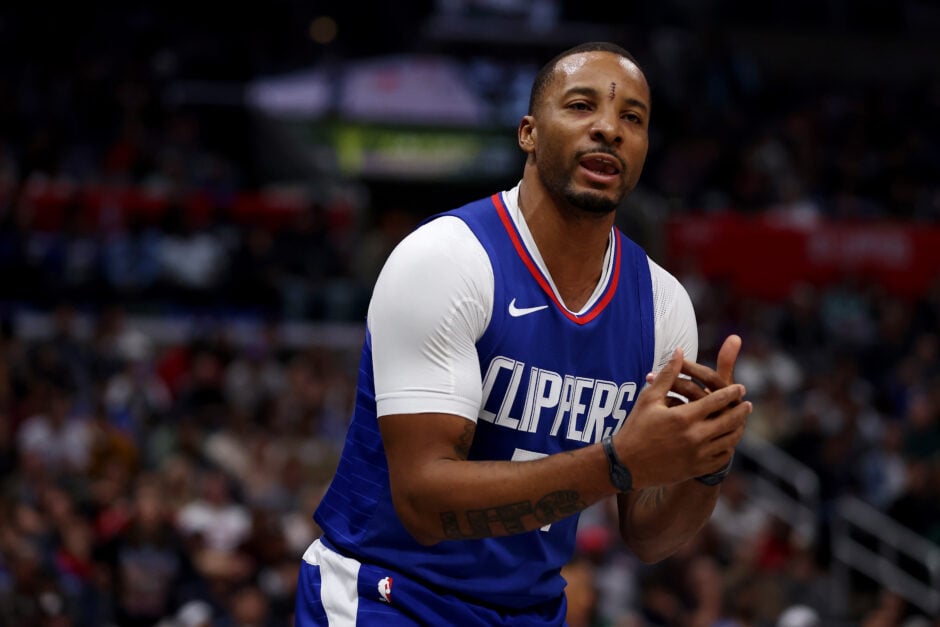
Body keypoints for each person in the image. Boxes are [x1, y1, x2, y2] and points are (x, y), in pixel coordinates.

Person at [294, 41, 752, 626]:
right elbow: (422, 504)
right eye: (582, 106)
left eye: (631, 118)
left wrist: (706, 462)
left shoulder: (664, 306)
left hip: (530, 610)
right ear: (529, 133)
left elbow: (649, 537)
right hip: (392, 595)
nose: (609, 129)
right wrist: (615, 462)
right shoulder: (447, 260)